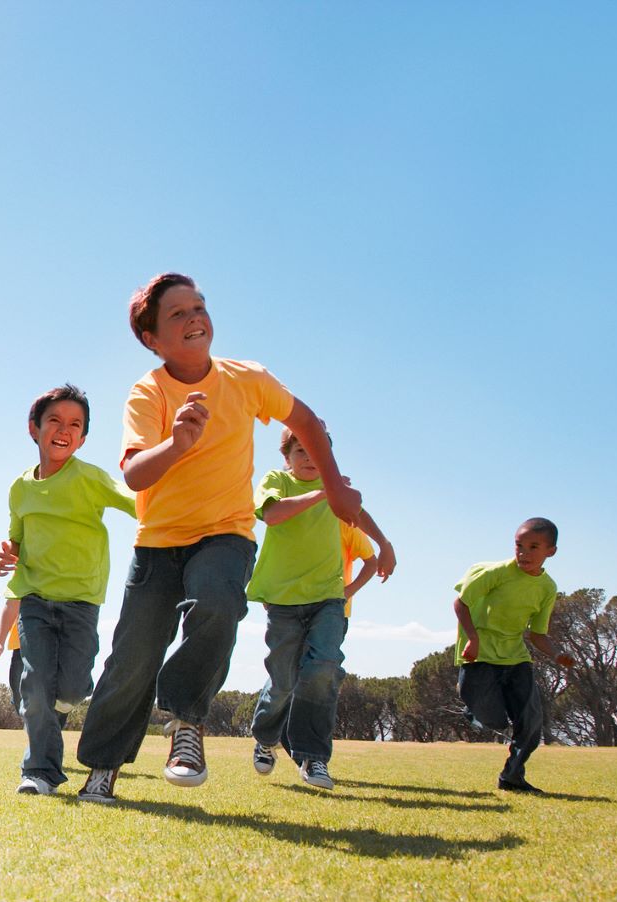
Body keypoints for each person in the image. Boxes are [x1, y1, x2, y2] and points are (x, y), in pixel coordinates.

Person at [65, 273, 384, 800]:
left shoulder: (246, 378)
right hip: (159, 541)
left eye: (200, 307)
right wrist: (178, 442)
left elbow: (307, 421)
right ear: (152, 337)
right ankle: (103, 769)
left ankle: (187, 721)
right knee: (133, 656)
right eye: (178, 314)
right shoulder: (149, 391)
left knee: (217, 602)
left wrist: (335, 485)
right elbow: (136, 474)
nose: (195, 318)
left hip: (226, 533)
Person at [0, 385, 136, 795]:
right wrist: (6, 556)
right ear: (34, 429)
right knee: (35, 687)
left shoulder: (90, 478)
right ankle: (40, 772)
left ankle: (58, 709)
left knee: (70, 690)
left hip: (82, 601)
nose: (63, 430)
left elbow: (136, 503)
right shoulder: (20, 489)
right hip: (35, 598)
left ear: (84, 438)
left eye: (75, 424)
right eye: (54, 420)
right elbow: (15, 539)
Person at [246, 425, 396, 790]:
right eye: (301, 452)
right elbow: (272, 514)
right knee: (284, 679)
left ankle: (313, 758)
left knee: (324, 669)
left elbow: (357, 514)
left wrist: (384, 544)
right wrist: (323, 492)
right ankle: (266, 736)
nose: (310, 459)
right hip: (282, 599)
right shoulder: (277, 480)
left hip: (328, 597)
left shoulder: (336, 491)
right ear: (287, 458)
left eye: (317, 453)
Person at [453, 518, 576, 793]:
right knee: (491, 720)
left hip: (516, 658)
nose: (524, 553)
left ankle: (512, 776)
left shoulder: (547, 588)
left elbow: (537, 634)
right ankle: (473, 709)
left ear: (551, 551)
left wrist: (557, 655)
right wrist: (472, 638)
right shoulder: (494, 573)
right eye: (519, 545)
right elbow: (461, 603)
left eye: (534, 547)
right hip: (479, 655)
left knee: (531, 722)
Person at [0, 598, 24, 712]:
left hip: (58, 642)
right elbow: (13, 603)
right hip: (22, 643)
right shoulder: (23, 579)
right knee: (19, 695)